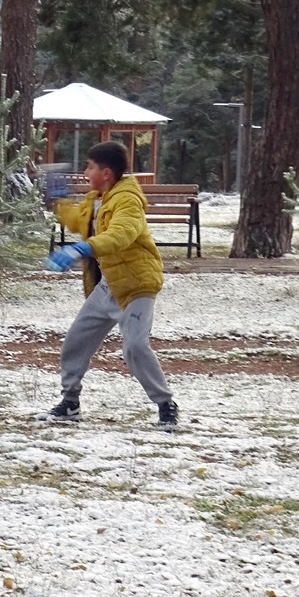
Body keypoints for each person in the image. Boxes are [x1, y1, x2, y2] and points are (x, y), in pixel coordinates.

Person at [40, 141, 178, 430]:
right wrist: (58, 201)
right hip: (108, 286)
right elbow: (80, 220)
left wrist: (82, 249)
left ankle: (166, 405)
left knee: (135, 347)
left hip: (136, 286)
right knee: (75, 342)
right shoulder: (97, 197)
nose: (85, 172)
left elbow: (121, 235)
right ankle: (70, 404)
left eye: (90, 167)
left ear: (106, 172)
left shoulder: (128, 201)